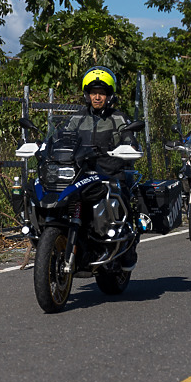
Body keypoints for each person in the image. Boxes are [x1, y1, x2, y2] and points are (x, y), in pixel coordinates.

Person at [69, 66, 141, 271]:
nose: (97, 97)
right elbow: (61, 136)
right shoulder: (77, 118)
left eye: (101, 93)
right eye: (93, 93)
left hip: (109, 171)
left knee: (120, 195)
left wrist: (129, 144)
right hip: (81, 172)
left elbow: (128, 135)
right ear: (87, 95)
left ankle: (127, 245)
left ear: (109, 95)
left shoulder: (117, 117)